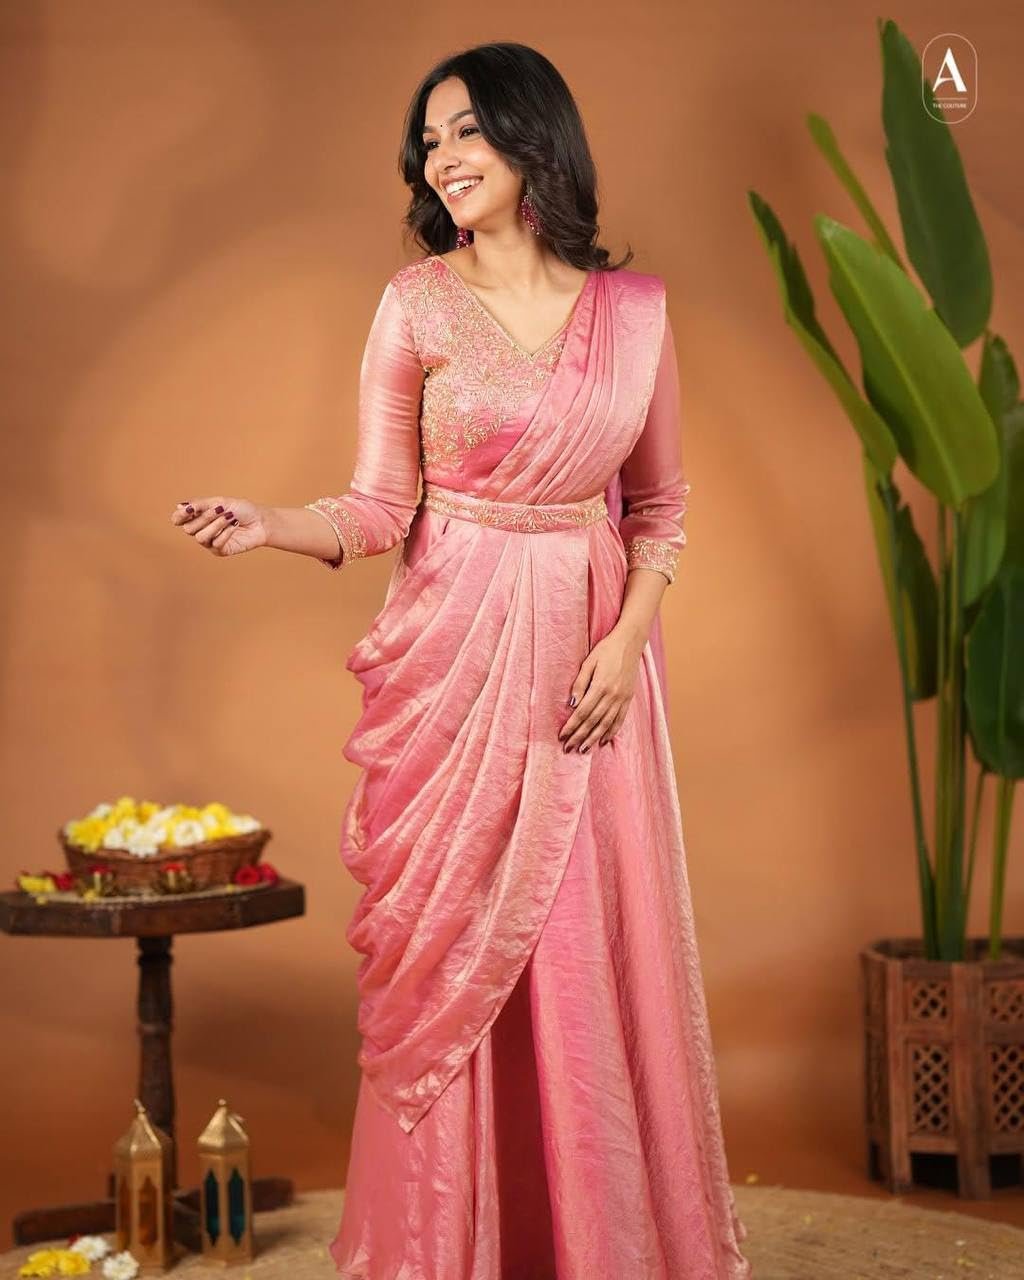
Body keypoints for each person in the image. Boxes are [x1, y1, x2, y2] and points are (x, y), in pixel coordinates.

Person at [171, 40, 752, 1280]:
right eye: (428, 142)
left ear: (535, 135)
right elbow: (380, 506)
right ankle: (450, 1248)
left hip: (589, 679)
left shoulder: (634, 316)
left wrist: (624, 643)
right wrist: (271, 522)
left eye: (465, 130)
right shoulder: (416, 305)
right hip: (455, 664)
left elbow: (659, 506)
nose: (442, 157)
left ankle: (596, 1242)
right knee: (452, 952)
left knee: (582, 947)